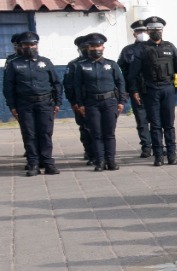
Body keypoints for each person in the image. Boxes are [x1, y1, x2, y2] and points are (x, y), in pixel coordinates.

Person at [128, 16, 177, 166]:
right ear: (148, 31)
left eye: (159, 29)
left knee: (169, 124)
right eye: (153, 30)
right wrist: (134, 90)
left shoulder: (170, 47)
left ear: (162, 30)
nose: (156, 32)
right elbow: (133, 73)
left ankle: (172, 156)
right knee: (155, 125)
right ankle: (158, 157)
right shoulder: (142, 49)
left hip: (168, 89)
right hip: (151, 90)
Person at [63, 32, 126, 171]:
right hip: (91, 104)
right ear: (88, 48)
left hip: (109, 102)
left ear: (103, 47)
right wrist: (80, 104)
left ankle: (111, 161)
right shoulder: (81, 66)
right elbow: (78, 87)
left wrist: (121, 101)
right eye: (93, 46)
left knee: (109, 133)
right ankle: (100, 162)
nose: (96, 49)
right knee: (96, 134)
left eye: (98, 46)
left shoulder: (111, 64)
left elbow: (120, 83)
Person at [3, 31, 62, 176]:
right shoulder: (14, 64)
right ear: (21, 46)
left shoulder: (45, 62)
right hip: (25, 105)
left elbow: (56, 83)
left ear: (37, 45)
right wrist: (12, 106)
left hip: (45, 103)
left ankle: (48, 163)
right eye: (26, 45)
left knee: (45, 133)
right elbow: (8, 87)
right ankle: (33, 164)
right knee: (29, 134)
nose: (29, 47)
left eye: (32, 44)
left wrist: (58, 102)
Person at [117, 19, 152, 158]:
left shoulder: (157, 47)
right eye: (139, 31)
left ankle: (159, 145)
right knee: (142, 120)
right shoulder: (128, 51)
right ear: (134, 34)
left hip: (155, 89)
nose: (142, 33)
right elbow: (123, 72)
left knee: (158, 120)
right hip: (137, 90)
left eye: (144, 30)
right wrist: (129, 90)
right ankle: (146, 147)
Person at [67, 36, 96, 164]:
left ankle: (100, 153)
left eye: (87, 47)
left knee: (100, 129)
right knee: (85, 129)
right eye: (82, 48)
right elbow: (69, 86)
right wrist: (73, 102)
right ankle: (90, 153)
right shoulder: (73, 64)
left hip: (96, 101)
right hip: (81, 102)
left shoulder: (99, 62)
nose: (85, 50)